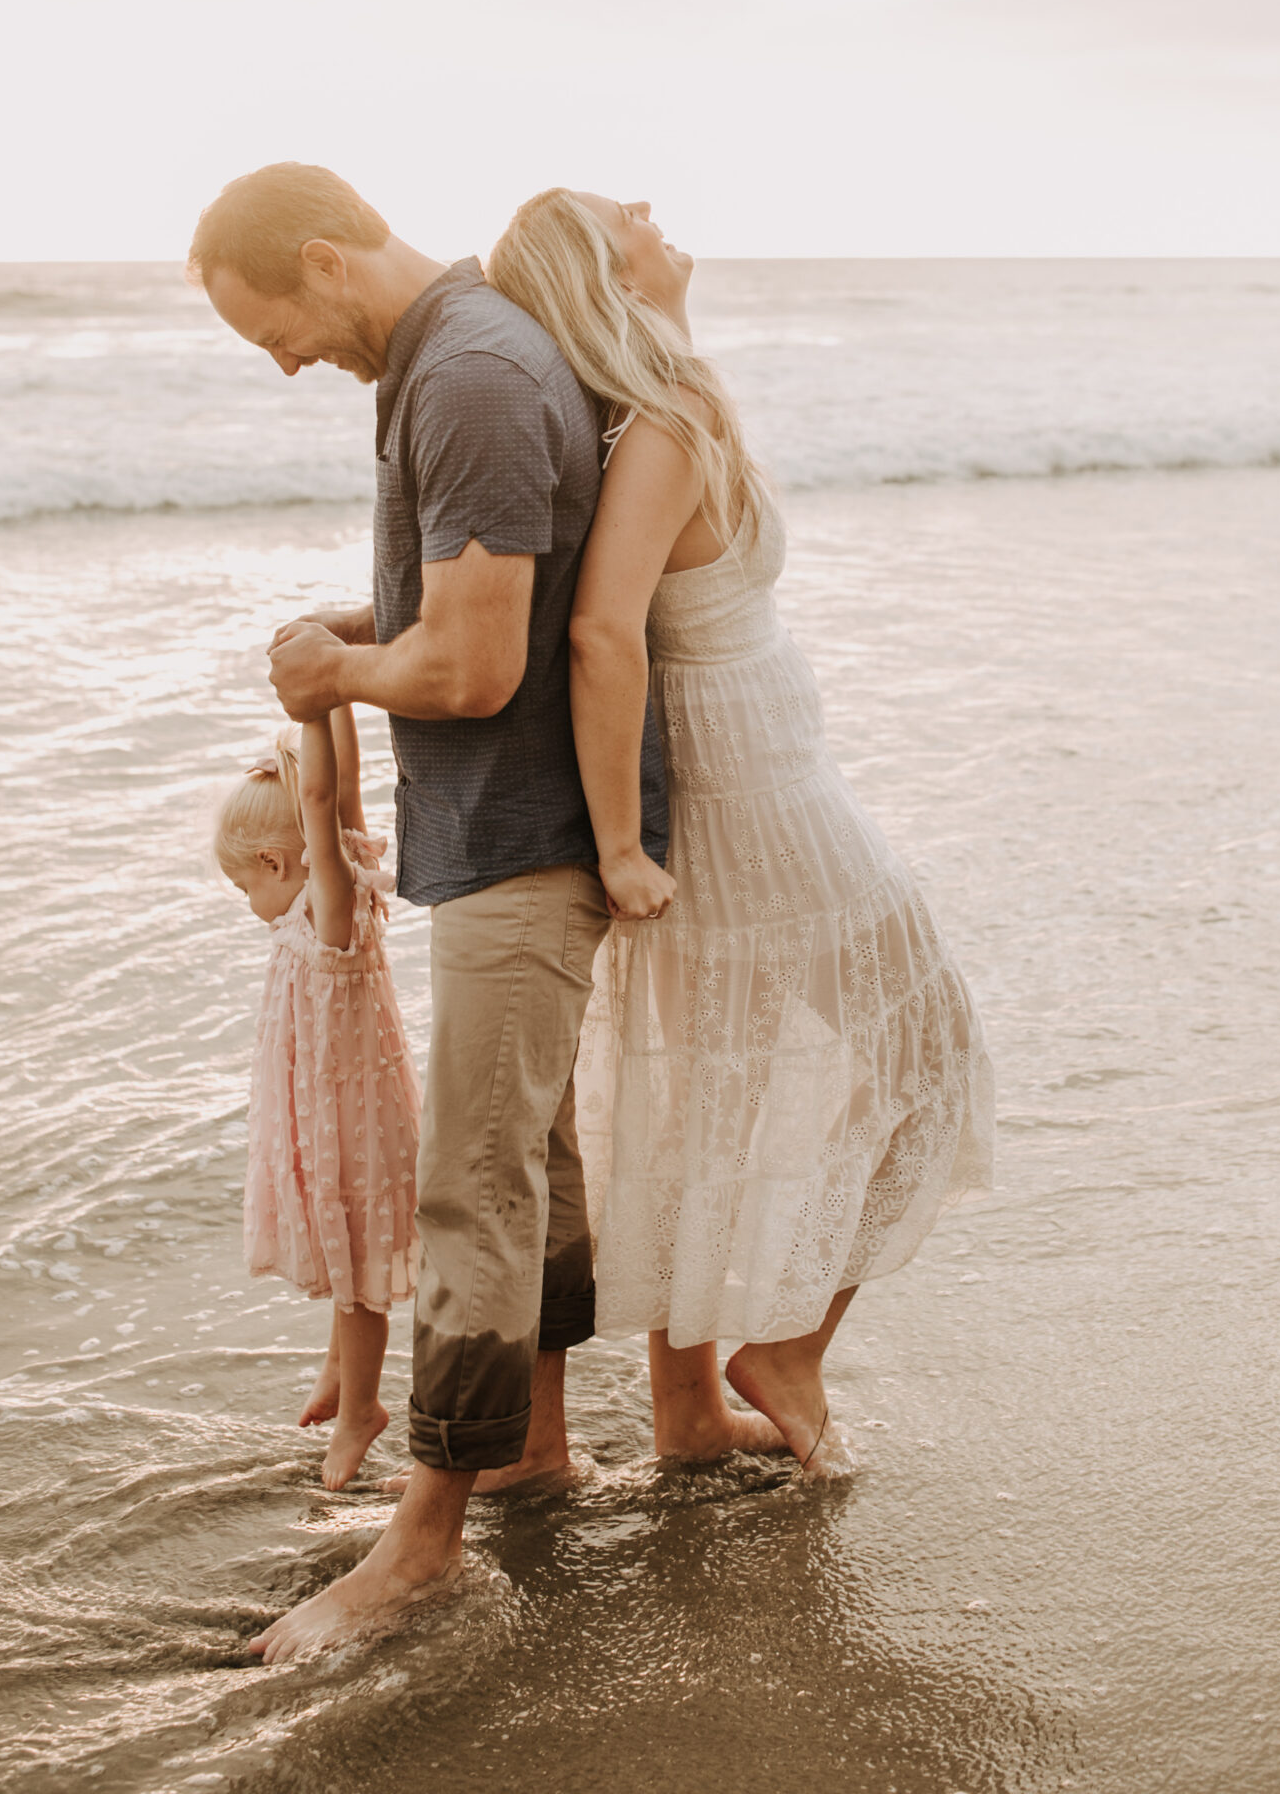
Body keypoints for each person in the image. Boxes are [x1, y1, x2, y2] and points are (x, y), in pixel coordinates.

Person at [187, 161, 670, 1662]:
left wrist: (340, 674)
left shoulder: (461, 370)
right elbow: (473, 614)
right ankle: (528, 1443)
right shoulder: (449, 359)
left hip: (520, 840)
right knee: (530, 1154)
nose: (277, 362)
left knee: (472, 1182)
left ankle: (424, 1539)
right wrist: (359, 626)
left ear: (327, 261)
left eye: (270, 327)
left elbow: (472, 672)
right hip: (506, 834)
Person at [487, 190, 995, 1476]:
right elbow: (604, 632)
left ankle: (688, 1414)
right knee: (933, 1058)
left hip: (743, 785)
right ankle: (787, 1350)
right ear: (612, 269)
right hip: (757, 802)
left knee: (706, 1096)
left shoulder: (653, 410)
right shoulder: (668, 418)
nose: (655, 210)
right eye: (627, 212)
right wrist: (617, 848)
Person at [216, 707, 419, 1489]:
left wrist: (318, 708)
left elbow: (326, 799)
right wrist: (330, 702)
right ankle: (339, 1372)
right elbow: (346, 794)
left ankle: (361, 1408)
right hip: (336, 1114)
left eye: (243, 886)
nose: (246, 903)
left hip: (351, 1127)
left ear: (275, 861)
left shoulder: (331, 905)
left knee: (358, 1272)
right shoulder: (345, 883)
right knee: (344, 1258)